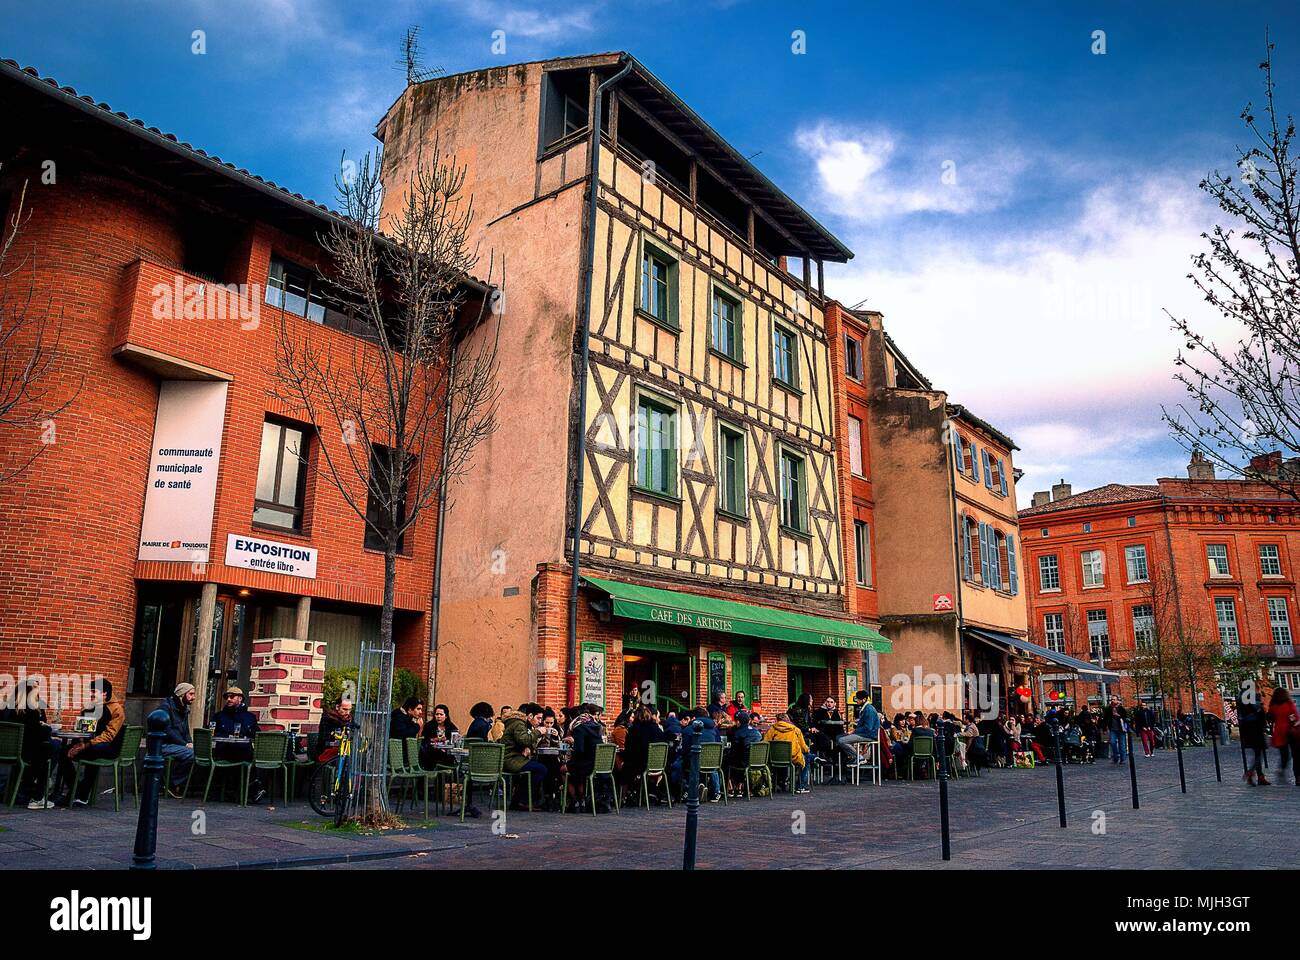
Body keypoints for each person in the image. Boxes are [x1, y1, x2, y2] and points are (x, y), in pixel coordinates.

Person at [54, 677, 125, 807]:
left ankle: (82, 794)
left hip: (108, 747)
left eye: (94, 691)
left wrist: (85, 746)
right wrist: (79, 743)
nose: (91, 694)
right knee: (62, 751)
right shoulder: (88, 708)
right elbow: (81, 730)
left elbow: (109, 735)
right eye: (90, 691)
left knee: (95, 749)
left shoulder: (116, 709)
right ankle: (77, 790)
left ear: (104, 693)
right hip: (88, 746)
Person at [212, 687, 268, 803]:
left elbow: (257, 735)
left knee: (254, 757)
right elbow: (211, 733)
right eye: (227, 697)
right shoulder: (219, 716)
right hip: (224, 752)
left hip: (242, 752)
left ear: (240, 698)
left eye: (231, 697)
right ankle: (251, 791)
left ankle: (249, 790)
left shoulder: (249, 717)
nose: (228, 699)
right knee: (246, 756)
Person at [501, 702, 548, 810]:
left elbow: (522, 741)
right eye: (539, 718)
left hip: (514, 758)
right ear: (530, 716)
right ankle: (524, 800)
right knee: (541, 769)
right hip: (511, 759)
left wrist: (528, 748)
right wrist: (538, 732)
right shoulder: (519, 724)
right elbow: (524, 740)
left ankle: (519, 800)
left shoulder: (520, 723)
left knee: (537, 768)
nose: (540, 721)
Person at [564, 704, 610, 812]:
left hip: (587, 765)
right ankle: (582, 801)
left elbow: (579, 750)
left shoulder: (579, 728)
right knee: (575, 770)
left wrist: (573, 743)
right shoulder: (596, 726)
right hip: (597, 764)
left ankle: (574, 801)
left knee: (564, 770)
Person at [621, 706, 671, 796]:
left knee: (624, 768)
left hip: (641, 764)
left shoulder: (634, 730)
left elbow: (629, 750)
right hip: (660, 765)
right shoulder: (657, 729)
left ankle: (623, 795)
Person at [159, 682, 196, 799]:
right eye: (191, 694)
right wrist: (185, 744)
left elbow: (186, 731)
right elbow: (168, 731)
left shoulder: (183, 709)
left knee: (197, 752)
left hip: (176, 745)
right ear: (182, 694)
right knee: (193, 754)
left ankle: (176, 783)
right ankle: (172, 783)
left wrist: (190, 742)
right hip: (164, 745)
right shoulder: (166, 707)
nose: (193, 697)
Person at [764, 711, 812, 793]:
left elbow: (765, 742)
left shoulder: (772, 729)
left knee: (783, 762)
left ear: (777, 720)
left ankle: (780, 782)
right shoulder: (796, 730)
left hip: (775, 758)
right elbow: (803, 747)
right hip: (792, 757)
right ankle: (801, 786)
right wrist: (807, 749)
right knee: (807, 758)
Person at [836, 690, 880, 775]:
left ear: (864, 699)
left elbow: (868, 727)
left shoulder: (869, 709)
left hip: (868, 735)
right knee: (838, 737)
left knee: (842, 740)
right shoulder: (865, 709)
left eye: (858, 699)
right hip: (864, 733)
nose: (856, 701)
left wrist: (853, 731)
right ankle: (855, 757)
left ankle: (859, 757)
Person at [1267, 687, 1300, 786]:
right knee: (1297, 755)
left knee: (1284, 754)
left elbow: (1270, 718)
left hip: (1279, 732)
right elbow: (1295, 718)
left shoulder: (1273, 706)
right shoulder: (1289, 704)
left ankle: (1282, 768)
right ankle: (1298, 777)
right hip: (1291, 731)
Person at [726, 710, 762, 796]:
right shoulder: (756, 732)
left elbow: (734, 750)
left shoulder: (738, 733)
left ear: (738, 722)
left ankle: (730, 787)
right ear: (749, 721)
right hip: (758, 761)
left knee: (727, 761)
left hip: (744, 762)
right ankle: (739, 786)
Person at [1238, 695, 1268, 785]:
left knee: (1257, 754)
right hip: (1257, 733)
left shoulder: (1244, 708)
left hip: (1249, 735)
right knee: (1259, 755)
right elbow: (1263, 720)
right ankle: (1251, 773)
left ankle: (1259, 776)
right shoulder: (1257, 707)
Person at [420, 703, 460, 768]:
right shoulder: (429, 726)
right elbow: (424, 740)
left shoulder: (451, 726)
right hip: (431, 752)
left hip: (446, 752)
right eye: (437, 714)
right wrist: (436, 739)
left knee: (450, 756)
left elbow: (454, 738)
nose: (438, 716)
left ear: (446, 716)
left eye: (441, 714)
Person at [1108, 700, 1129, 764]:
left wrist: (1119, 715)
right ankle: (1115, 757)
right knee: (1112, 742)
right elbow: (1106, 718)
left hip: (1121, 729)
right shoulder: (1109, 709)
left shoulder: (1121, 708)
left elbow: (1125, 716)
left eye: (1114, 699)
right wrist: (1104, 728)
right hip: (1112, 729)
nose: (1113, 701)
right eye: (1112, 699)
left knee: (1122, 744)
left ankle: (1123, 759)